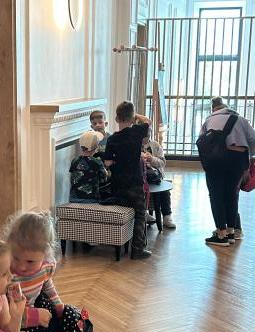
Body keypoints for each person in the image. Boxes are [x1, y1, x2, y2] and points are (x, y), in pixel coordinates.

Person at [2, 211, 113, 332]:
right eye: (15, 258)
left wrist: (58, 305)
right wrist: (34, 316)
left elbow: (46, 284)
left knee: (76, 330)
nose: (21, 267)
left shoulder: (46, 266)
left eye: (30, 262)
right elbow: (0, 315)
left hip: (38, 321)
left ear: (45, 255)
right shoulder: (3, 274)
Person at [198, 97, 255, 247]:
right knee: (232, 195)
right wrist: (249, 153)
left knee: (216, 195)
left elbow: (201, 140)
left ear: (214, 109)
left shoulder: (209, 120)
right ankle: (232, 232)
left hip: (215, 161)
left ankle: (221, 235)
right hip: (237, 160)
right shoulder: (240, 120)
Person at [102, 101, 151, 259]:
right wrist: (135, 115)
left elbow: (107, 163)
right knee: (140, 214)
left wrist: (116, 162)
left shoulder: (112, 139)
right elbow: (147, 121)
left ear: (116, 119)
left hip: (117, 184)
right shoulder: (136, 132)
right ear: (132, 119)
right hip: (134, 182)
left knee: (125, 204)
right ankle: (137, 250)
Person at [141, 131, 176, 229]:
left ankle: (167, 216)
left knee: (164, 190)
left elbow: (162, 163)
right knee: (139, 188)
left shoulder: (155, 145)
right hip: (140, 175)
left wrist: (152, 159)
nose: (145, 139)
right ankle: (143, 213)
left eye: (147, 136)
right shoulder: (133, 144)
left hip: (155, 175)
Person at [69, 130, 108, 203]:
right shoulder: (97, 162)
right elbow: (104, 179)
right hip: (91, 200)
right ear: (96, 147)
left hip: (74, 198)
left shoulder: (74, 160)